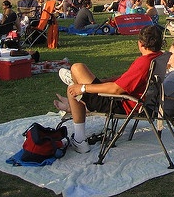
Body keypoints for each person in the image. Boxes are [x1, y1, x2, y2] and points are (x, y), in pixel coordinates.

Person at [53, 25, 164, 153]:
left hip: (118, 103)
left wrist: (84, 88)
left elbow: (117, 90)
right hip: (130, 100)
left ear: (140, 43)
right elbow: (128, 80)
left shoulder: (144, 62)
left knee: (75, 79)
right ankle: (74, 88)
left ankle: (79, 140)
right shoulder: (158, 57)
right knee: (77, 78)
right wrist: (105, 81)